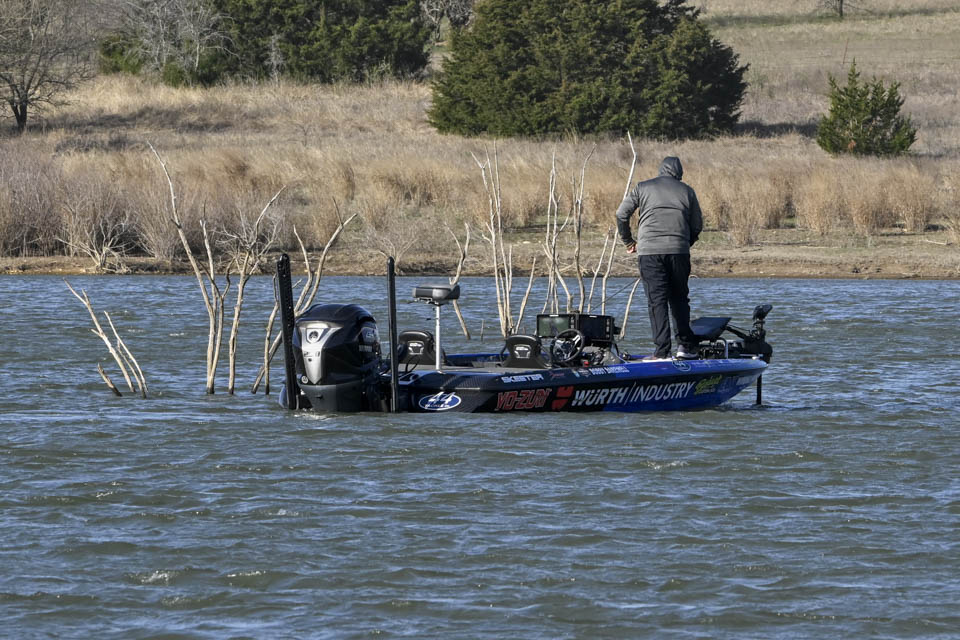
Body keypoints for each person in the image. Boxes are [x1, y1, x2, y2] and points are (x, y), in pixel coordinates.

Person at [616, 156, 703, 360]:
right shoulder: (687, 191)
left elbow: (621, 214)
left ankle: (662, 352)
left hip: (649, 253)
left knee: (657, 301)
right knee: (679, 299)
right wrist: (684, 242)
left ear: (661, 170)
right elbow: (697, 225)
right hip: (679, 252)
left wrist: (629, 242)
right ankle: (685, 348)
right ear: (679, 173)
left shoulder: (642, 187)